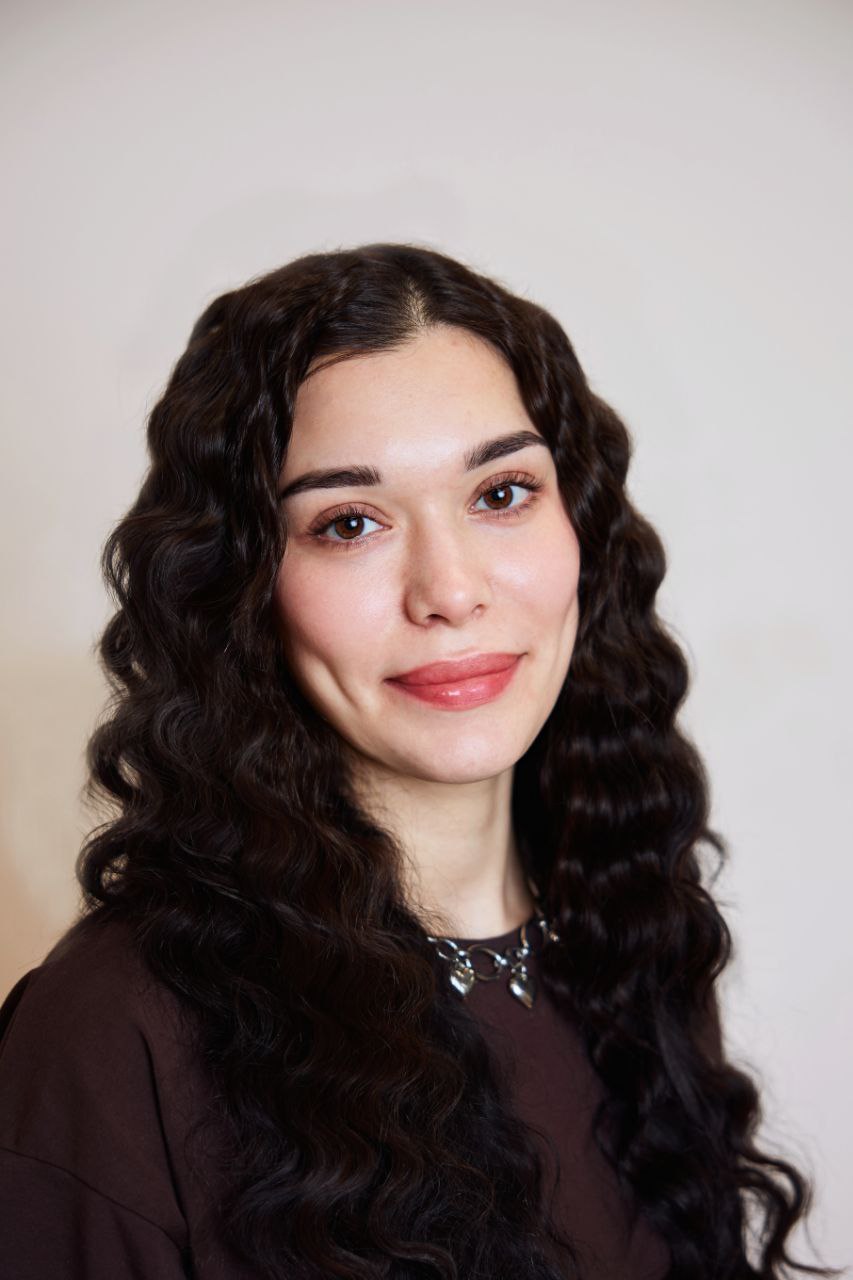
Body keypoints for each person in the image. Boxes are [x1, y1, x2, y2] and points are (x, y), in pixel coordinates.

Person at [0, 244, 839, 1280]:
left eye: (501, 492)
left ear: (581, 524)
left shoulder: (629, 942)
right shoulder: (115, 1035)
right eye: (349, 522)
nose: (449, 590)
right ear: (240, 586)